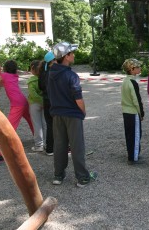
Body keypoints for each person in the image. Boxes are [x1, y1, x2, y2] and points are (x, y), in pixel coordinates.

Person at [48, 42, 97, 187]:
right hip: (72, 114)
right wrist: (83, 111)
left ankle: (58, 175)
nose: (74, 55)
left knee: (59, 144)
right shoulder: (71, 75)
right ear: (66, 56)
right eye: (72, 53)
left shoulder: (50, 73)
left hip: (57, 114)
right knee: (77, 146)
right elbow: (78, 98)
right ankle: (82, 177)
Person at [0, 60, 34, 163]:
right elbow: (2, 84)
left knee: (8, 128)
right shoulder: (13, 75)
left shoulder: (5, 75)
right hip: (22, 101)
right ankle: (42, 141)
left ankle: (2, 154)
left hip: (17, 104)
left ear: (6, 68)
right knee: (32, 121)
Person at [121, 58, 145, 164]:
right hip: (133, 112)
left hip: (126, 112)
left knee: (129, 134)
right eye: (138, 67)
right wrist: (141, 113)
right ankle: (133, 157)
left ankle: (131, 153)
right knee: (135, 134)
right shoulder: (132, 82)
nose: (140, 68)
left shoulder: (125, 81)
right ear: (132, 69)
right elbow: (137, 99)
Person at [38, 51, 56, 156]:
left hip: (46, 101)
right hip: (54, 101)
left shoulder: (42, 72)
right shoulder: (53, 72)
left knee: (50, 125)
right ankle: (64, 147)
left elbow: (40, 87)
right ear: (52, 61)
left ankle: (50, 149)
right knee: (59, 124)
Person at [27, 60, 47, 152]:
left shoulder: (31, 81)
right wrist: (43, 101)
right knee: (45, 123)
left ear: (32, 69)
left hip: (34, 104)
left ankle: (39, 145)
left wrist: (39, 100)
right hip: (45, 103)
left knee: (37, 125)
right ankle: (47, 143)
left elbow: (33, 94)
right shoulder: (45, 78)